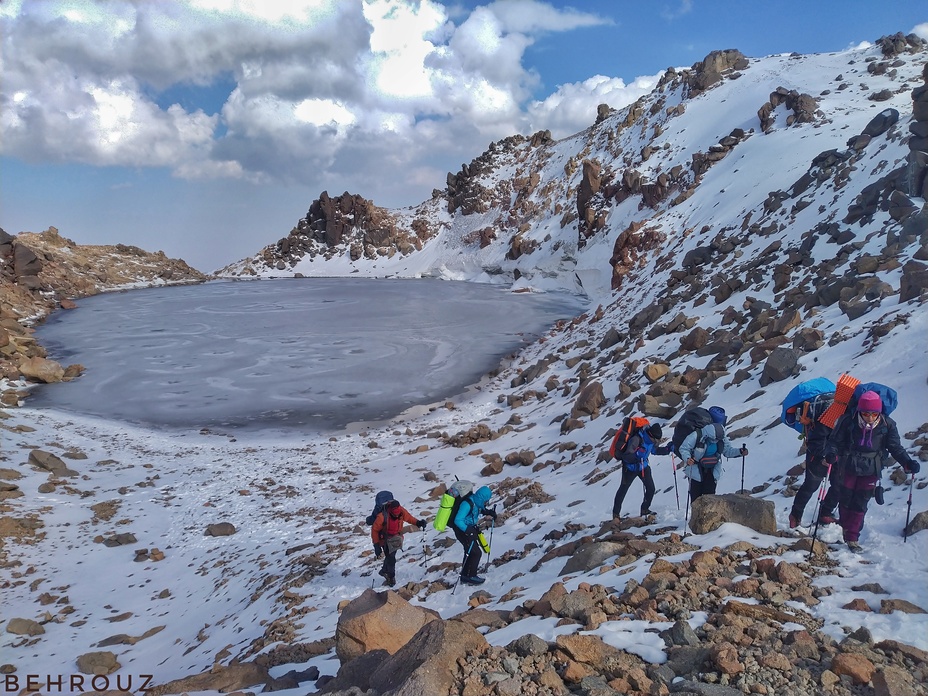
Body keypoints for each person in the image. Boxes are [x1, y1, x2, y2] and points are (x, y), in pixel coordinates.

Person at [824, 390, 920, 552]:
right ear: (860, 411)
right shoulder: (848, 421)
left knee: (861, 502)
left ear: (879, 412)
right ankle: (847, 530)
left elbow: (895, 447)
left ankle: (852, 537)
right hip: (848, 465)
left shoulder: (887, 425)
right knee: (845, 499)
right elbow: (835, 441)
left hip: (871, 468)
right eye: (866, 413)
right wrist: (831, 453)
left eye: (874, 414)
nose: (869, 418)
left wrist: (907, 462)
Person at [677, 406, 748, 503]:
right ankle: (696, 517)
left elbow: (727, 451)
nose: (716, 441)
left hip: (712, 469)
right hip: (695, 468)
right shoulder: (698, 434)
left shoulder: (721, 436)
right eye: (714, 439)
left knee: (710, 497)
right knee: (695, 497)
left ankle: (707, 517)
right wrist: (687, 458)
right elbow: (684, 448)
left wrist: (740, 452)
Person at [612, 423, 673, 518]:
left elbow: (655, 451)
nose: (657, 441)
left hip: (643, 466)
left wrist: (668, 449)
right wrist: (636, 456)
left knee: (651, 488)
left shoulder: (652, 441)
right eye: (656, 439)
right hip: (630, 468)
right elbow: (626, 456)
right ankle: (616, 515)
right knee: (623, 490)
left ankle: (645, 509)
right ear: (651, 435)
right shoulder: (636, 439)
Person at [788, 417, 840, 528]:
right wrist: (824, 456)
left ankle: (825, 513)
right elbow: (815, 441)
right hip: (817, 458)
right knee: (810, 486)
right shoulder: (829, 417)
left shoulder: (853, 417)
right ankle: (795, 516)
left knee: (839, 485)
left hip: (836, 458)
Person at [371, 499, 426, 586]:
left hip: (396, 538)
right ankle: (391, 577)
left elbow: (408, 517)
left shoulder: (401, 511)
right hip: (385, 539)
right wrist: (376, 545)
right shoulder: (382, 516)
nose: (396, 516)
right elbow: (374, 530)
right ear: (391, 511)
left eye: (397, 515)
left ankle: (384, 570)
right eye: (394, 515)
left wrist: (418, 523)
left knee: (390, 556)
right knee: (391, 558)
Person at [451, 484, 497, 585]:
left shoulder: (476, 503)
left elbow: (478, 510)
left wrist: (489, 512)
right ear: (482, 498)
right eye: (486, 500)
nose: (487, 502)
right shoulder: (467, 504)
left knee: (469, 551)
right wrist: (468, 531)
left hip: (468, 530)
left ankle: (465, 576)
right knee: (476, 552)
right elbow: (458, 520)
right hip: (462, 531)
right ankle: (471, 576)